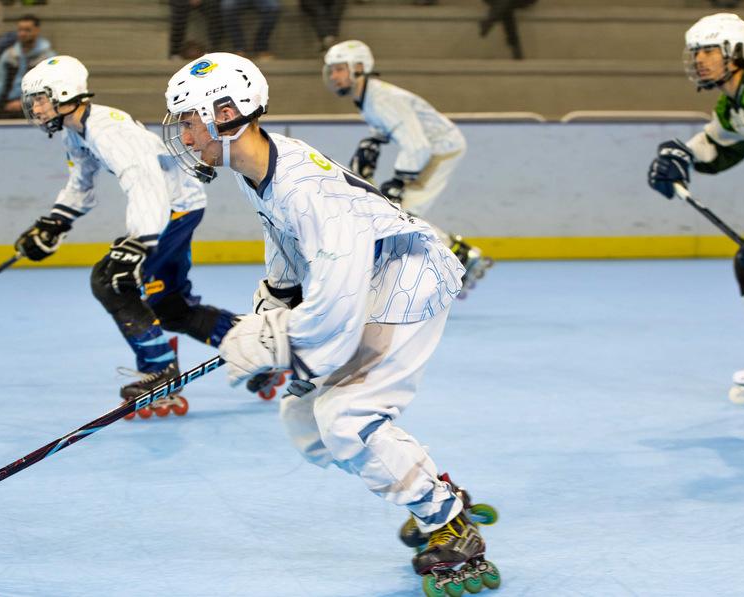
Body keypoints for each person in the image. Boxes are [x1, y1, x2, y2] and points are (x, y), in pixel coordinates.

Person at [162, 52, 501, 592]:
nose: (183, 132)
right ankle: (426, 485)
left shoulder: (305, 189)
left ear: (226, 114)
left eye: (187, 118)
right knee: (303, 418)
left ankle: (448, 524)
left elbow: (333, 316)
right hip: (368, 277)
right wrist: (268, 324)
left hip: (407, 278)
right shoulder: (263, 169)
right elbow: (288, 262)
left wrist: (268, 346)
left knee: (346, 416)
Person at [15, 55, 240, 418]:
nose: (35, 108)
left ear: (64, 93)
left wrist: (140, 242)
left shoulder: (108, 131)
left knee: (111, 281)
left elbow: (145, 184)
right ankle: (255, 343)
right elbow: (81, 182)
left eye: (40, 98)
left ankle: (159, 371)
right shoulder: (77, 131)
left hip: (174, 208)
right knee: (169, 307)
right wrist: (54, 223)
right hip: (173, 207)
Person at [647, 13, 744, 405]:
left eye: (709, 50)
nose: (700, 60)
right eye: (697, 53)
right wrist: (682, 156)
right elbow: (718, 145)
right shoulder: (735, 105)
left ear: (735, 52)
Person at [323, 40, 493, 297]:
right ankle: (458, 257)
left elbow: (418, 145)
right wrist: (373, 141)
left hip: (441, 149)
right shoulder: (368, 96)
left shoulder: (379, 98)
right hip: (435, 147)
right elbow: (393, 128)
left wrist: (399, 182)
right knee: (399, 213)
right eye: (331, 70)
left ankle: (458, 258)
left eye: (339, 69)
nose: (334, 76)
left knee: (400, 213)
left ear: (359, 67)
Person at [0, 14, 54, 119]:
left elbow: (49, 89)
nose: (22, 33)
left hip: (35, 106)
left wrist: (23, 103)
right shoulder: (8, 56)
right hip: (7, 104)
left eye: (27, 30)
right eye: (20, 30)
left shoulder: (48, 59)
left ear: (37, 31)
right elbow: (0, 83)